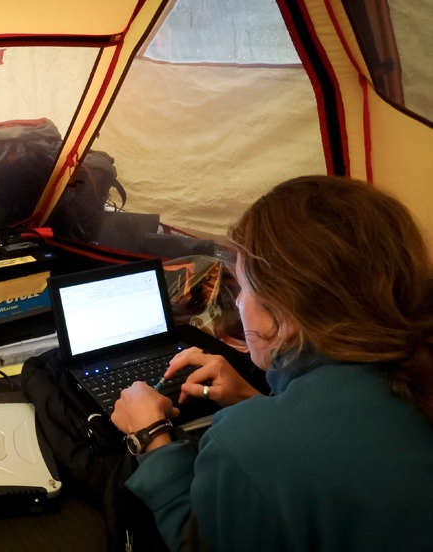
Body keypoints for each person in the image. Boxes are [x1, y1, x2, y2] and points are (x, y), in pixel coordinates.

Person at [111, 175, 433, 552]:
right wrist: (255, 400)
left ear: (286, 308)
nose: (238, 304)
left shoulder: (247, 446)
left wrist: (151, 438)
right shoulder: (410, 370)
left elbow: (197, 541)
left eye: (243, 288)